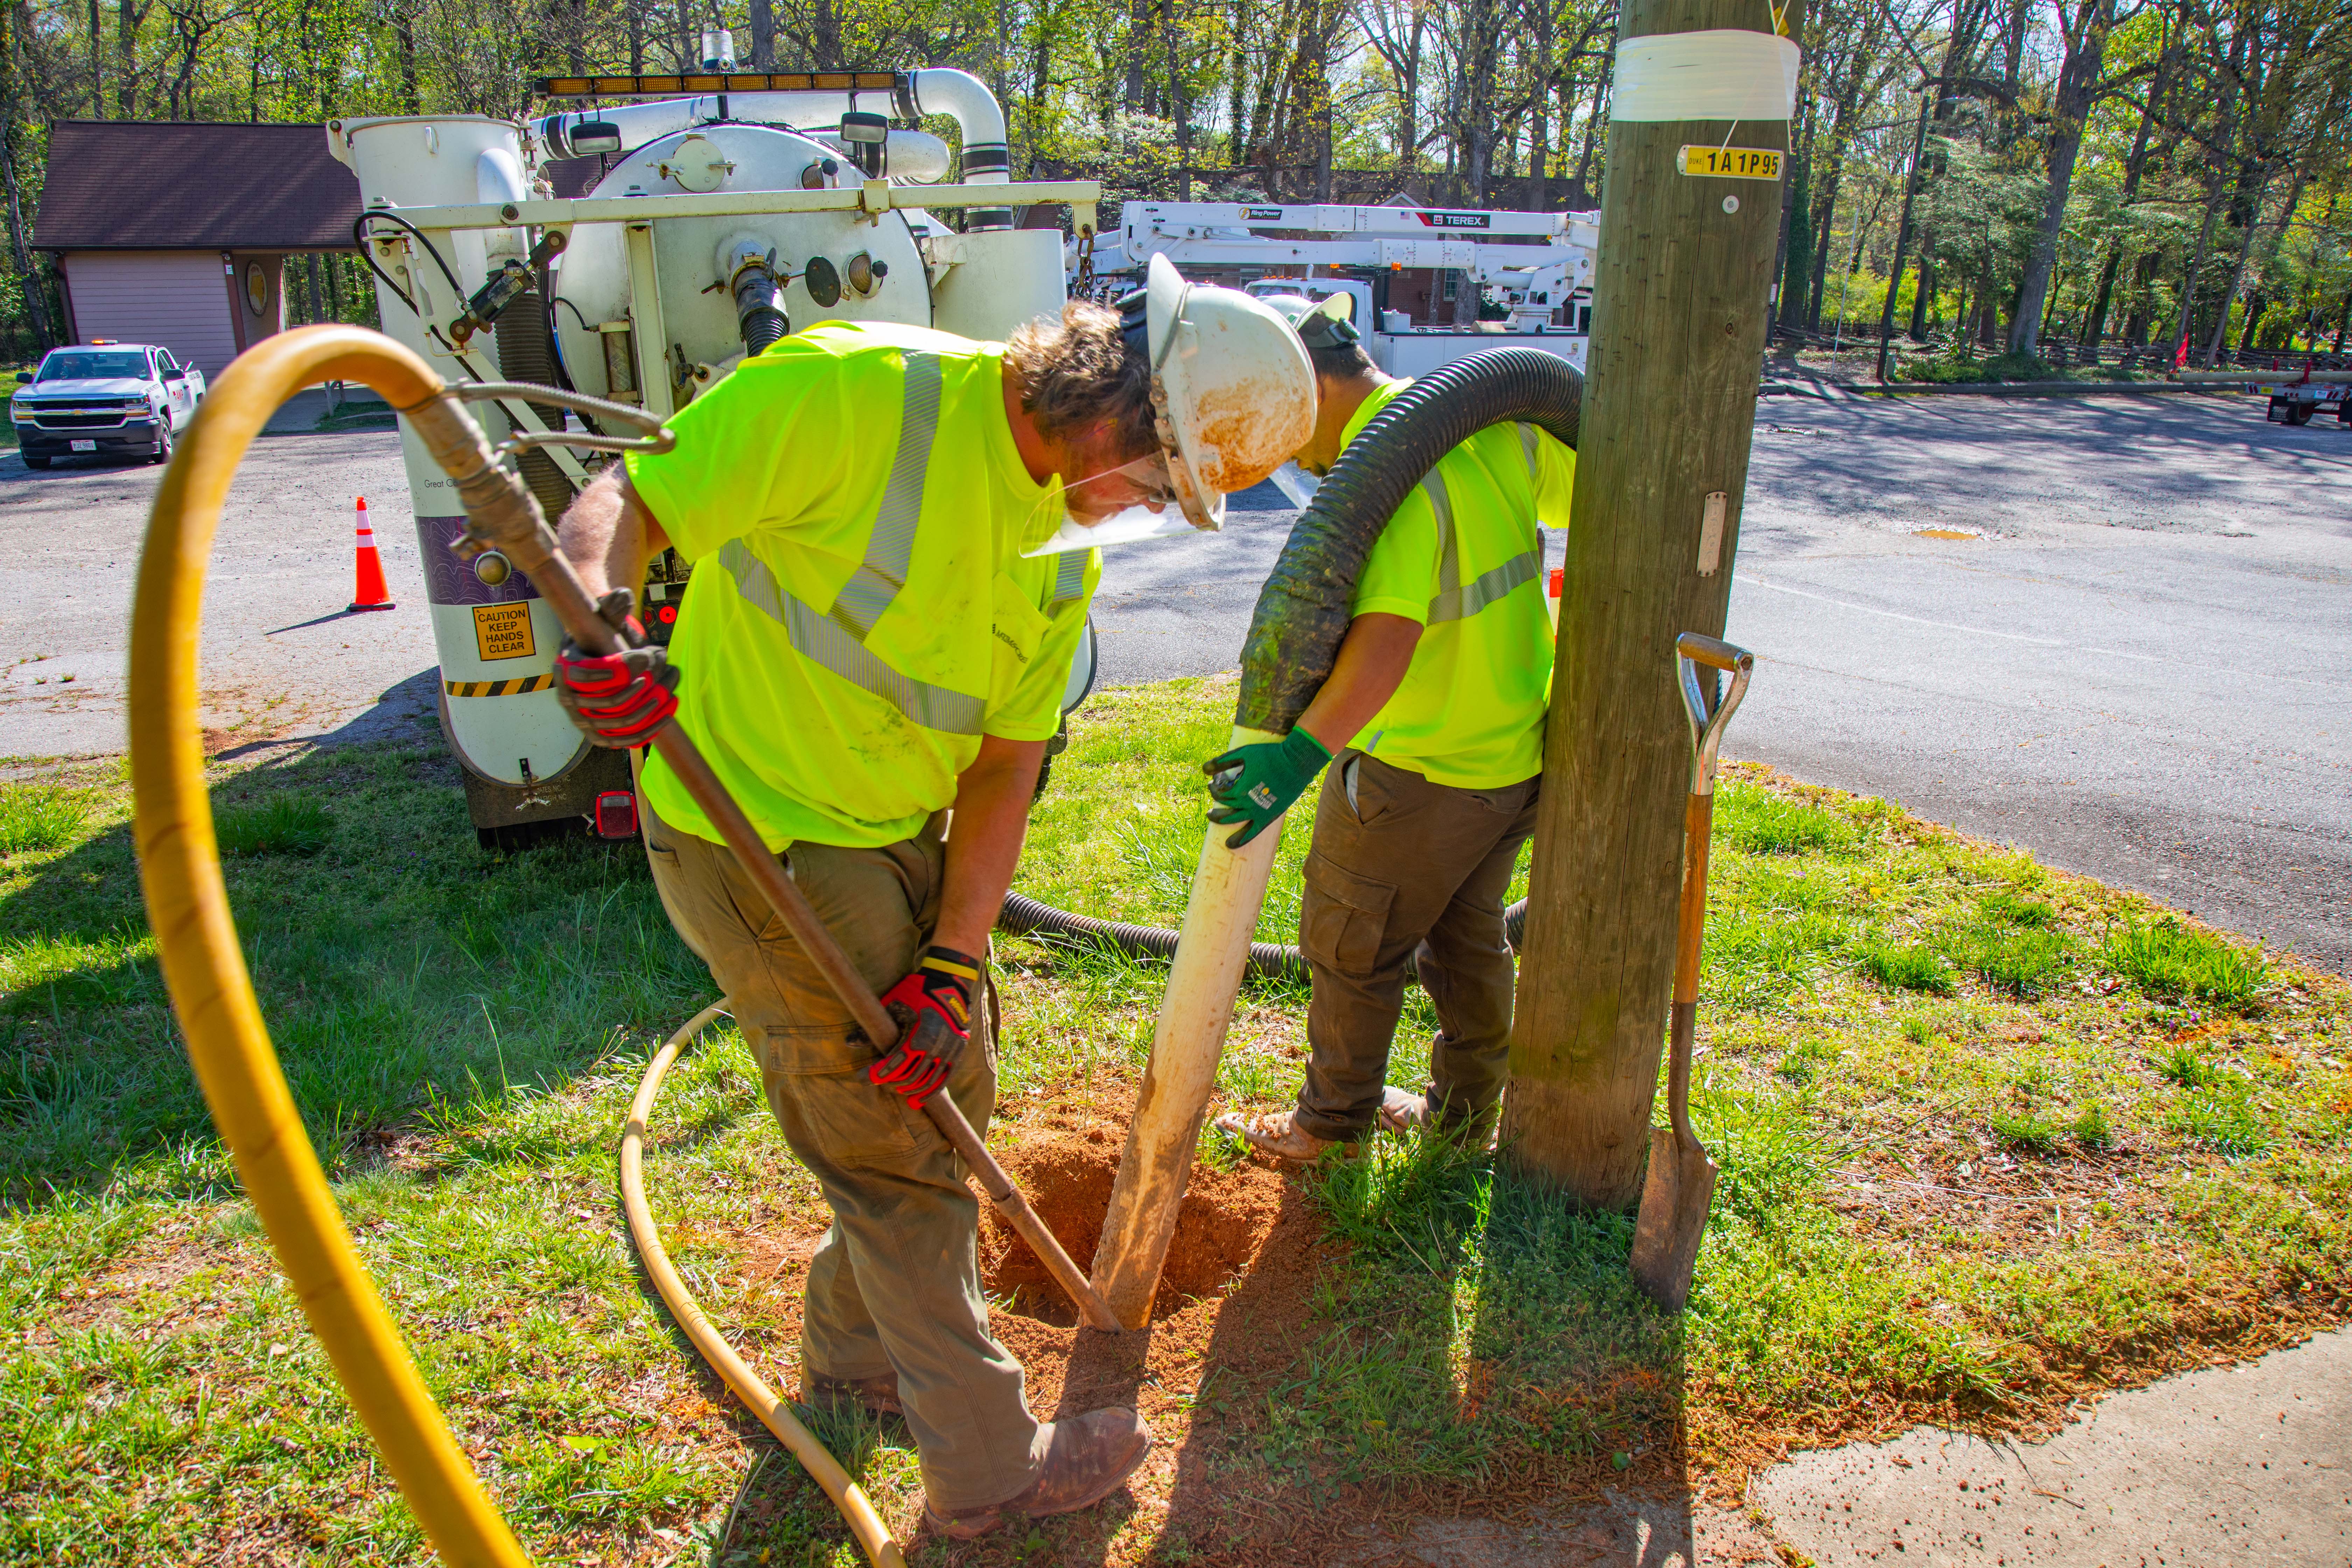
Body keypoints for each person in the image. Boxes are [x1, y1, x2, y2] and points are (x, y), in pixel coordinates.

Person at [548, 258, 1313, 1538]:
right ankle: (988, 1467)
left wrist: (955, 964)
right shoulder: (859, 394)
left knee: (943, 1086)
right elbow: (632, 495)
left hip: (895, 832)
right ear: (1108, 410)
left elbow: (1007, 762)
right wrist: (597, 628)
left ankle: (854, 1363)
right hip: (759, 833)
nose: (1136, 510)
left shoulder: (1064, 548)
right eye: (1151, 477)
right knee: (892, 1159)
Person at [1209, 292, 1575, 1163]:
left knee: (1351, 943)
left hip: (1418, 769)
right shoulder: (1493, 427)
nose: (1282, 452)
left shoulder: (1391, 468)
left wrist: (1296, 758)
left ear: (1298, 392)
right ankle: (1462, 1118)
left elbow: (1385, 646)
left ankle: (1329, 1128)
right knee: (1467, 937)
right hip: (1509, 754)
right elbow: (1591, 488)